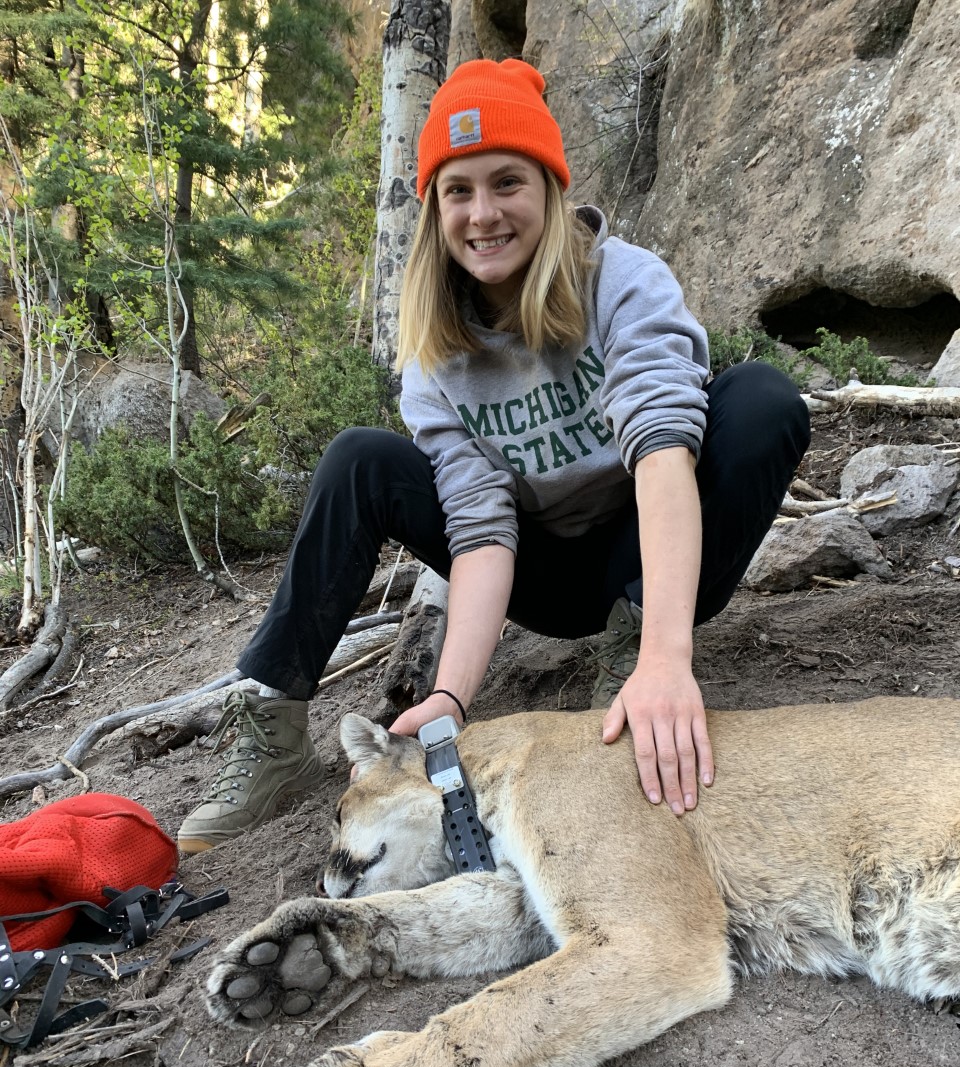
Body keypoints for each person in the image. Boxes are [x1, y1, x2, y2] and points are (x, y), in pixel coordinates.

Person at [176, 58, 810, 854]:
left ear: (549, 185)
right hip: (536, 573)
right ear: (435, 208)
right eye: (459, 190)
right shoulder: (435, 358)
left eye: (507, 181)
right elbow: (479, 531)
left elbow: (662, 457)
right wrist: (450, 698)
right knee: (358, 459)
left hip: (645, 554)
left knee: (761, 402)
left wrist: (665, 658)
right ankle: (271, 735)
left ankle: (633, 654)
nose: (484, 214)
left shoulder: (624, 282)